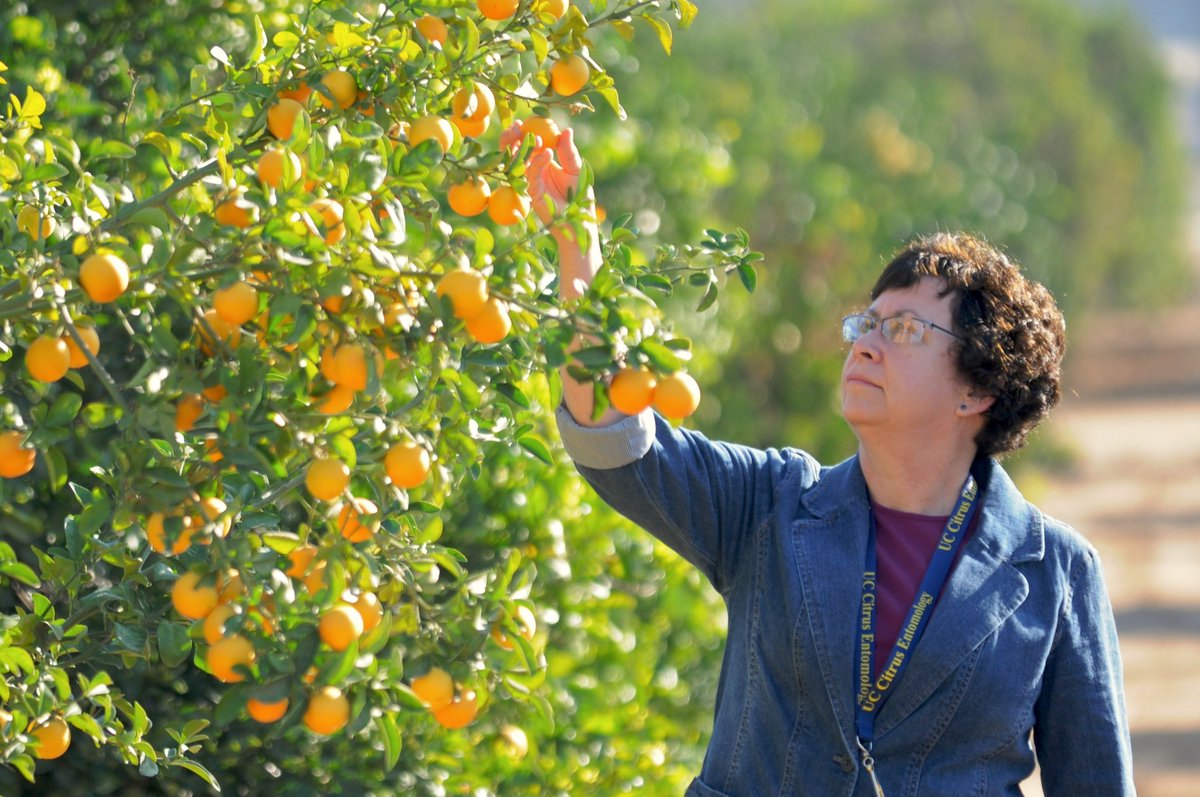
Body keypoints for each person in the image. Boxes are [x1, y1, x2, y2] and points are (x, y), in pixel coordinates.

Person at [525, 128, 1135, 796]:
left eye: (902, 329)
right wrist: (575, 252)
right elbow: (610, 438)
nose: (866, 344)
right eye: (865, 324)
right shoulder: (769, 503)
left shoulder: (1056, 571)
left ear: (978, 388)